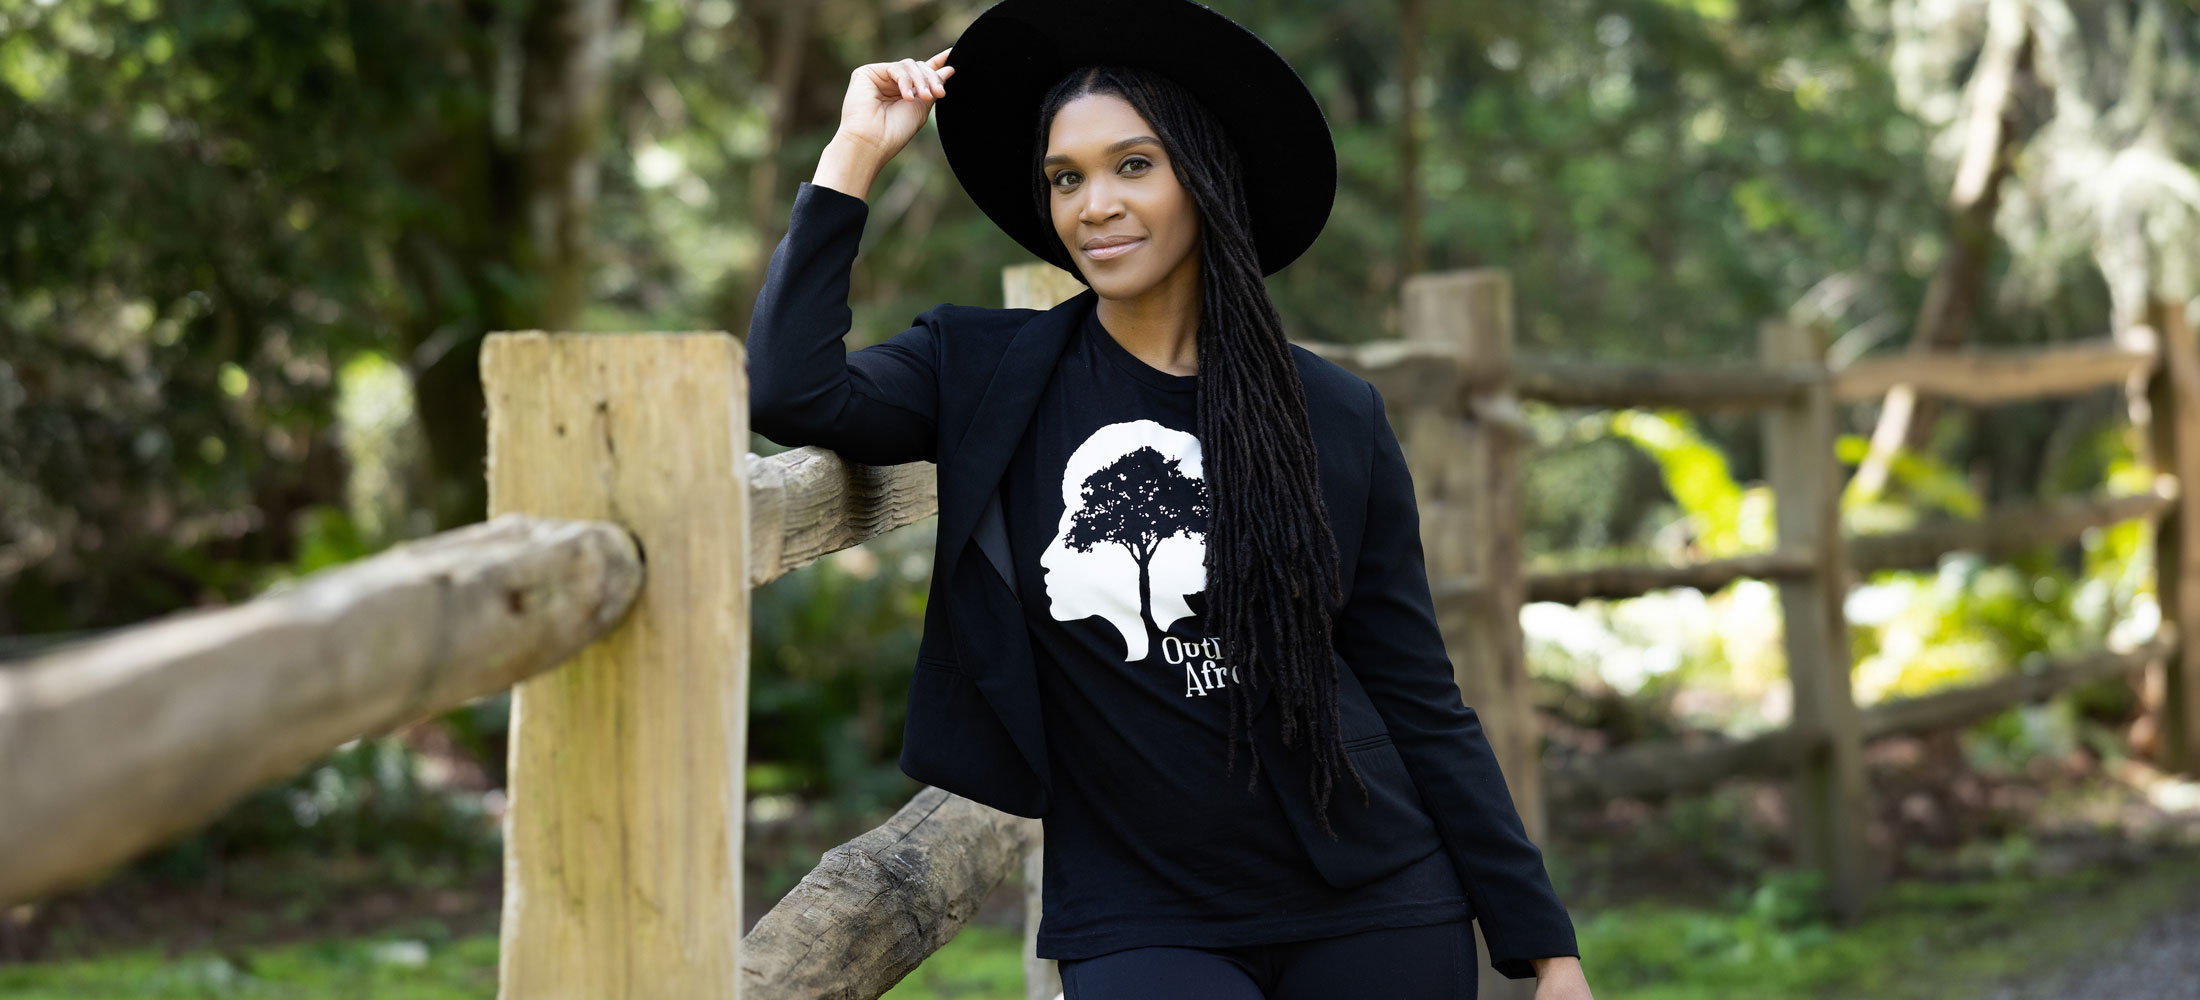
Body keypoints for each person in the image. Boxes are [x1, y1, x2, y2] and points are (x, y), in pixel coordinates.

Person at [747, 1, 1594, 997]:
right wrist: (854, 151)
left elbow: (1414, 689)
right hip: (1138, 908)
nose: (1092, 203)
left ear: (1204, 178)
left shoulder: (1331, 412)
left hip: (1372, 896)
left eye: (1132, 165)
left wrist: (1547, 948)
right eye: (1066, 178)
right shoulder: (981, 371)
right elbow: (791, 390)